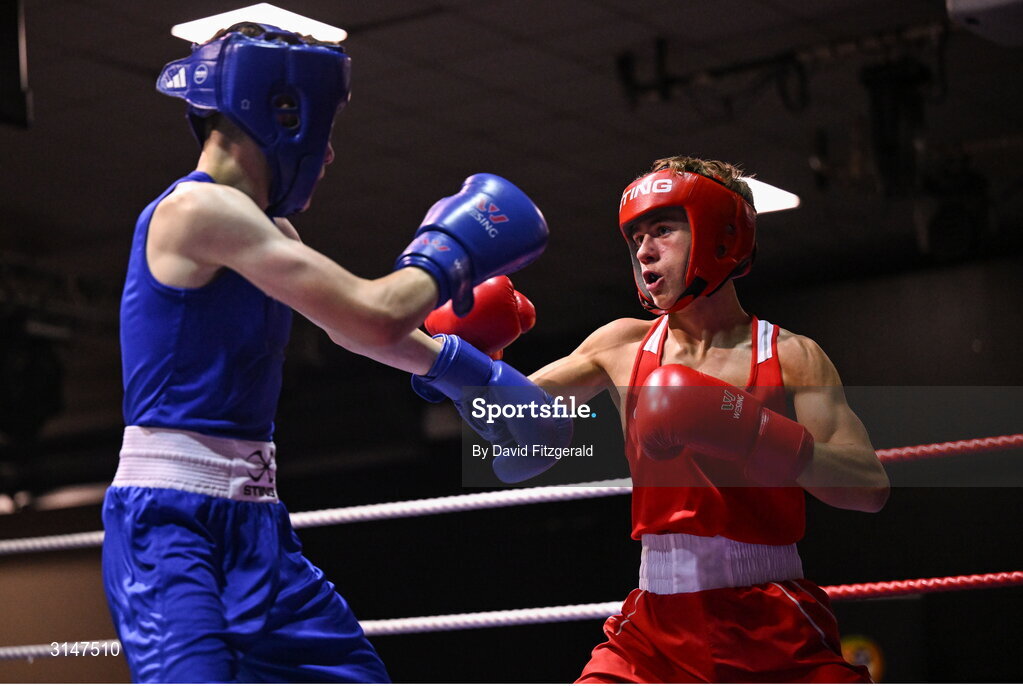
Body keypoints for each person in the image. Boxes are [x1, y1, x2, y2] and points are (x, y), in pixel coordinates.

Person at [103, 21, 550, 683]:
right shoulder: (197, 211)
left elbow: (350, 326)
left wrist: (471, 374)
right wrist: (451, 251)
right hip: (171, 528)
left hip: (256, 520)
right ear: (284, 112)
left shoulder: (265, 226)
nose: (331, 154)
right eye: (329, 129)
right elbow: (375, 316)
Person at [414, 156, 891, 682]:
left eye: (663, 229)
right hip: (654, 627)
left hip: (770, 618)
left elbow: (868, 487)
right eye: (636, 236)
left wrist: (756, 432)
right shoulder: (621, 345)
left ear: (721, 233)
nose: (643, 250)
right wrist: (464, 354)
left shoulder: (792, 355)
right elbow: (511, 414)